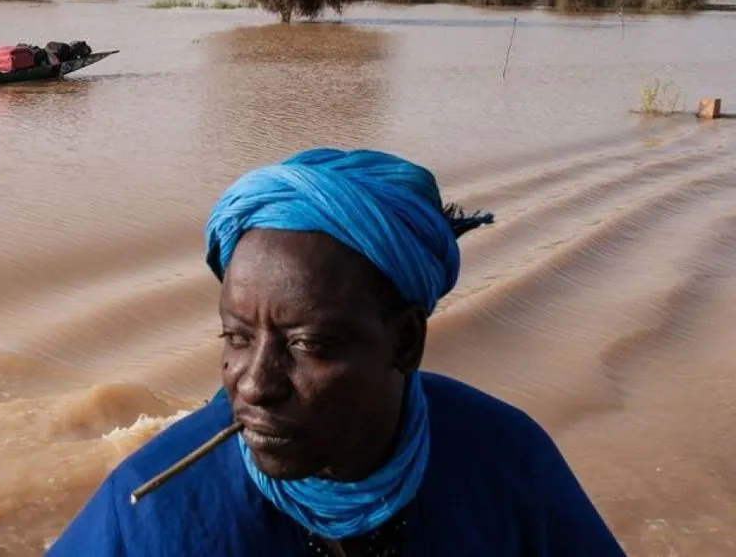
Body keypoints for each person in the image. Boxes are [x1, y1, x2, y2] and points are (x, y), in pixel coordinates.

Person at [48, 148, 626, 556]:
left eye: (307, 345)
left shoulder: (506, 461)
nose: (253, 386)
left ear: (406, 342)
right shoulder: (154, 512)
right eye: (237, 338)